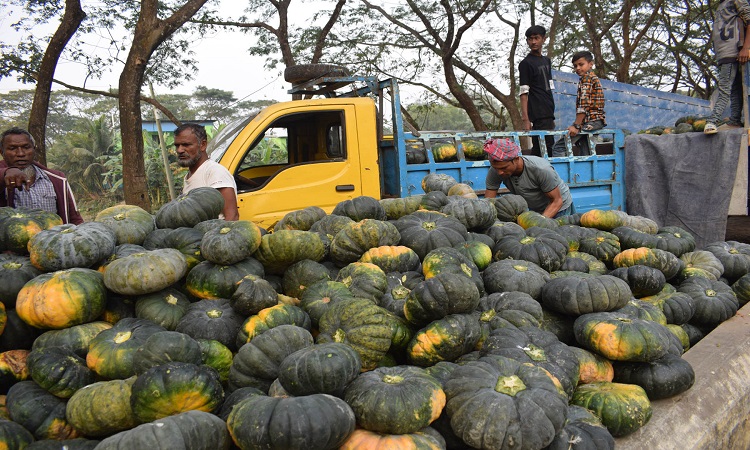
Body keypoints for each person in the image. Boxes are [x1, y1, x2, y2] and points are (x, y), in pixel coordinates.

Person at [0, 127, 84, 224]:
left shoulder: (57, 179)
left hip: (52, 238)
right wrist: (6, 173)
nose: (21, 153)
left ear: (34, 149)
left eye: (26, 147)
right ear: (2, 152)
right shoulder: (4, 177)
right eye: (12, 148)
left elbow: (74, 218)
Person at [484, 137, 573, 218]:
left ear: (516, 159)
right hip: (535, 209)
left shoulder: (541, 169)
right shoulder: (495, 171)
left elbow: (557, 201)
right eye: (496, 168)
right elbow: (488, 202)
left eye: (504, 168)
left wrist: (539, 222)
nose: (500, 172)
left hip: (558, 207)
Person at [175, 123, 239, 221]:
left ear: (203, 145)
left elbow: (232, 216)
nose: (180, 150)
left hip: (213, 234)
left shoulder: (214, 172)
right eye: (177, 145)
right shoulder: (190, 175)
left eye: (186, 145)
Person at [704, 0, 750, 134]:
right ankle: (735, 120)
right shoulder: (721, 5)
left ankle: (712, 121)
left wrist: (746, 48)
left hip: (732, 51)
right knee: (734, 88)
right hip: (723, 54)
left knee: (724, 87)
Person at [551, 51, 606, 157]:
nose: (578, 68)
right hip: (596, 120)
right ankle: (586, 173)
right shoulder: (593, 78)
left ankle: (559, 173)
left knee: (559, 148)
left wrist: (576, 125)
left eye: (581, 64)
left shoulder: (587, 78)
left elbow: (583, 105)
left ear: (591, 64)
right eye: (575, 66)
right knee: (586, 152)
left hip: (591, 121)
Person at [519, 25, 556, 156]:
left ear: (544, 39)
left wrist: (552, 113)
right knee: (542, 149)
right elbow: (524, 93)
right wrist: (526, 120)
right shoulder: (526, 63)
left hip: (548, 112)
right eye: (530, 39)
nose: (533, 42)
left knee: (548, 147)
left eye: (536, 38)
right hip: (537, 113)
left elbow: (549, 87)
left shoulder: (546, 61)